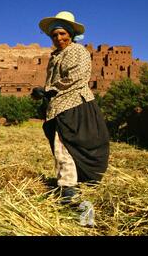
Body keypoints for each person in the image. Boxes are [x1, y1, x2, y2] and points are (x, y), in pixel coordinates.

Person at [32, 11, 110, 204]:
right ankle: (73, 182)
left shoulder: (77, 51)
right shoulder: (55, 56)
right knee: (65, 144)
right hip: (59, 106)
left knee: (64, 144)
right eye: (55, 35)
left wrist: (49, 89)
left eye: (63, 34)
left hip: (75, 104)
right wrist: (43, 93)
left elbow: (77, 77)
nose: (59, 38)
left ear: (71, 34)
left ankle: (68, 188)